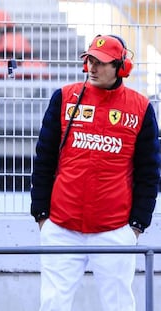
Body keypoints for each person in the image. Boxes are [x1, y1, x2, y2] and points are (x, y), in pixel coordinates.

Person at [31, 34, 160, 311]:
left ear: (121, 67)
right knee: (53, 304)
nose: (92, 67)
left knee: (119, 306)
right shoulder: (64, 98)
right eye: (89, 60)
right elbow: (44, 159)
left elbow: (150, 172)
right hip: (61, 226)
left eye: (101, 63)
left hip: (114, 230)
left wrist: (137, 225)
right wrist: (42, 215)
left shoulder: (141, 108)